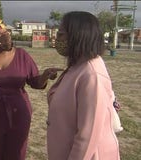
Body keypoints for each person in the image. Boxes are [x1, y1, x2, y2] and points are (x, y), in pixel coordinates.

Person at [0, 16, 63, 160]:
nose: (7, 36)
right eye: (1, 34)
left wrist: (45, 76)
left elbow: (35, 82)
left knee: (17, 154)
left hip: (19, 115)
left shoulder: (22, 55)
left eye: (7, 32)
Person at [46, 11, 120, 160]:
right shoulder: (78, 65)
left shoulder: (91, 74)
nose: (56, 39)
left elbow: (88, 134)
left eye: (61, 35)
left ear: (77, 36)